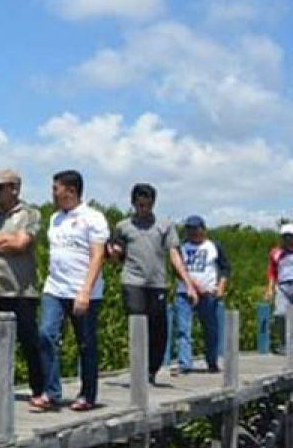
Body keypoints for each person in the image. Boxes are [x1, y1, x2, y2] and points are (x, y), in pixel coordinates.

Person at [107, 183, 197, 383]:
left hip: (157, 283)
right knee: (138, 323)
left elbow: (174, 254)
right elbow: (116, 253)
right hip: (132, 280)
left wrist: (188, 283)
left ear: (153, 204)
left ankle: (151, 370)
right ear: (133, 203)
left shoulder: (164, 225)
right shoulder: (123, 226)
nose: (143, 210)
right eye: (139, 205)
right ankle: (138, 368)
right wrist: (114, 253)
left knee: (158, 330)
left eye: (147, 205)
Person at [0, 169, 46, 406]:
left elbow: (22, 243)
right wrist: (5, 241)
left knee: (29, 342)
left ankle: (38, 389)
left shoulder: (30, 214)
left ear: (14, 188)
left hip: (22, 290)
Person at [37, 170, 108, 412]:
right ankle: (52, 392)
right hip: (55, 288)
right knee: (46, 334)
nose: (53, 193)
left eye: (56, 188)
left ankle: (87, 394)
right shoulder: (55, 218)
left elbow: (98, 256)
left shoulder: (93, 218)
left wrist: (85, 291)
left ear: (71, 191)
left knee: (85, 343)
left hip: (83, 290)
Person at [173, 215, 230, 374]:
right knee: (184, 330)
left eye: (196, 228)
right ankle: (185, 363)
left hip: (209, 295)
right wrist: (195, 287)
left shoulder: (214, 246)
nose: (193, 232)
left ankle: (212, 362)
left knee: (211, 329)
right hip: (184, 293)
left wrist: (221, 287)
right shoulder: (181, 248)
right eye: (189, 229)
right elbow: (178, 271)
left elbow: (225, 268)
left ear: (203, 229)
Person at [266, 223, 293, 354]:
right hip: (283, 286)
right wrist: (270, 289)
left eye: (290, 236)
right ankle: (285, 343)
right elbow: (272, 272)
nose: (288, 239)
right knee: (280, 314)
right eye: (285, 236)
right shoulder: (276, 253)